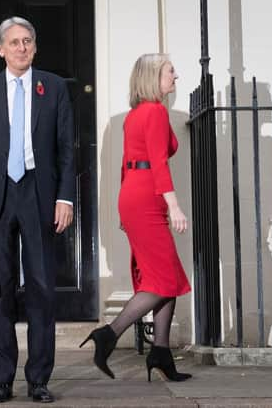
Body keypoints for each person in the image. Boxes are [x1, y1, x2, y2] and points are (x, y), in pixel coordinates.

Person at [0, 17, 75, 403]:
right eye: (14, 42)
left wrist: (65, 197)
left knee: (42, 290)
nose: (21, 48)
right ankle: (1, 380)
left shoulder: (54, 87)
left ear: (35, 46)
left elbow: (65, 148)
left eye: (27, 41)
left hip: (39, 195)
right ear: (0, 49)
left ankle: (39, 379)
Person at [80, 53, 192, 382]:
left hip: (134, 195)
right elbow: (158, 162)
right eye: (171, 71)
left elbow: (126, 162)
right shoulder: (155, 112)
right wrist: (174, 206)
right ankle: (109, 333)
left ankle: (160, 353)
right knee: (163, 280)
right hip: (147, 197)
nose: (176, 76)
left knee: (165, 277)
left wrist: (123, 208)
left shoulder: (134, 115)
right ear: (154, 76)